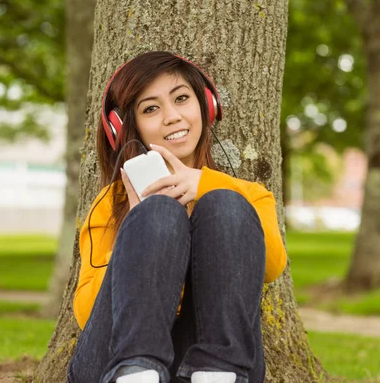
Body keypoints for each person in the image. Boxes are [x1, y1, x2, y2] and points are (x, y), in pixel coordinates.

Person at [67, 51, 287, 383]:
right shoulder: (111, 203)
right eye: (151, 108)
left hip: (210, 361)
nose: (172, 117)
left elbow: (272, 267)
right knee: (158, 213)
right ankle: (136, 372)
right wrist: (139, 228)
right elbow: (87, 314)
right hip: (112, 361)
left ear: (206, 106)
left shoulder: (246, 195)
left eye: (182, 98)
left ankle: (218, 374)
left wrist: (208, 185)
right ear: (127, 128)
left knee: (227, 205)